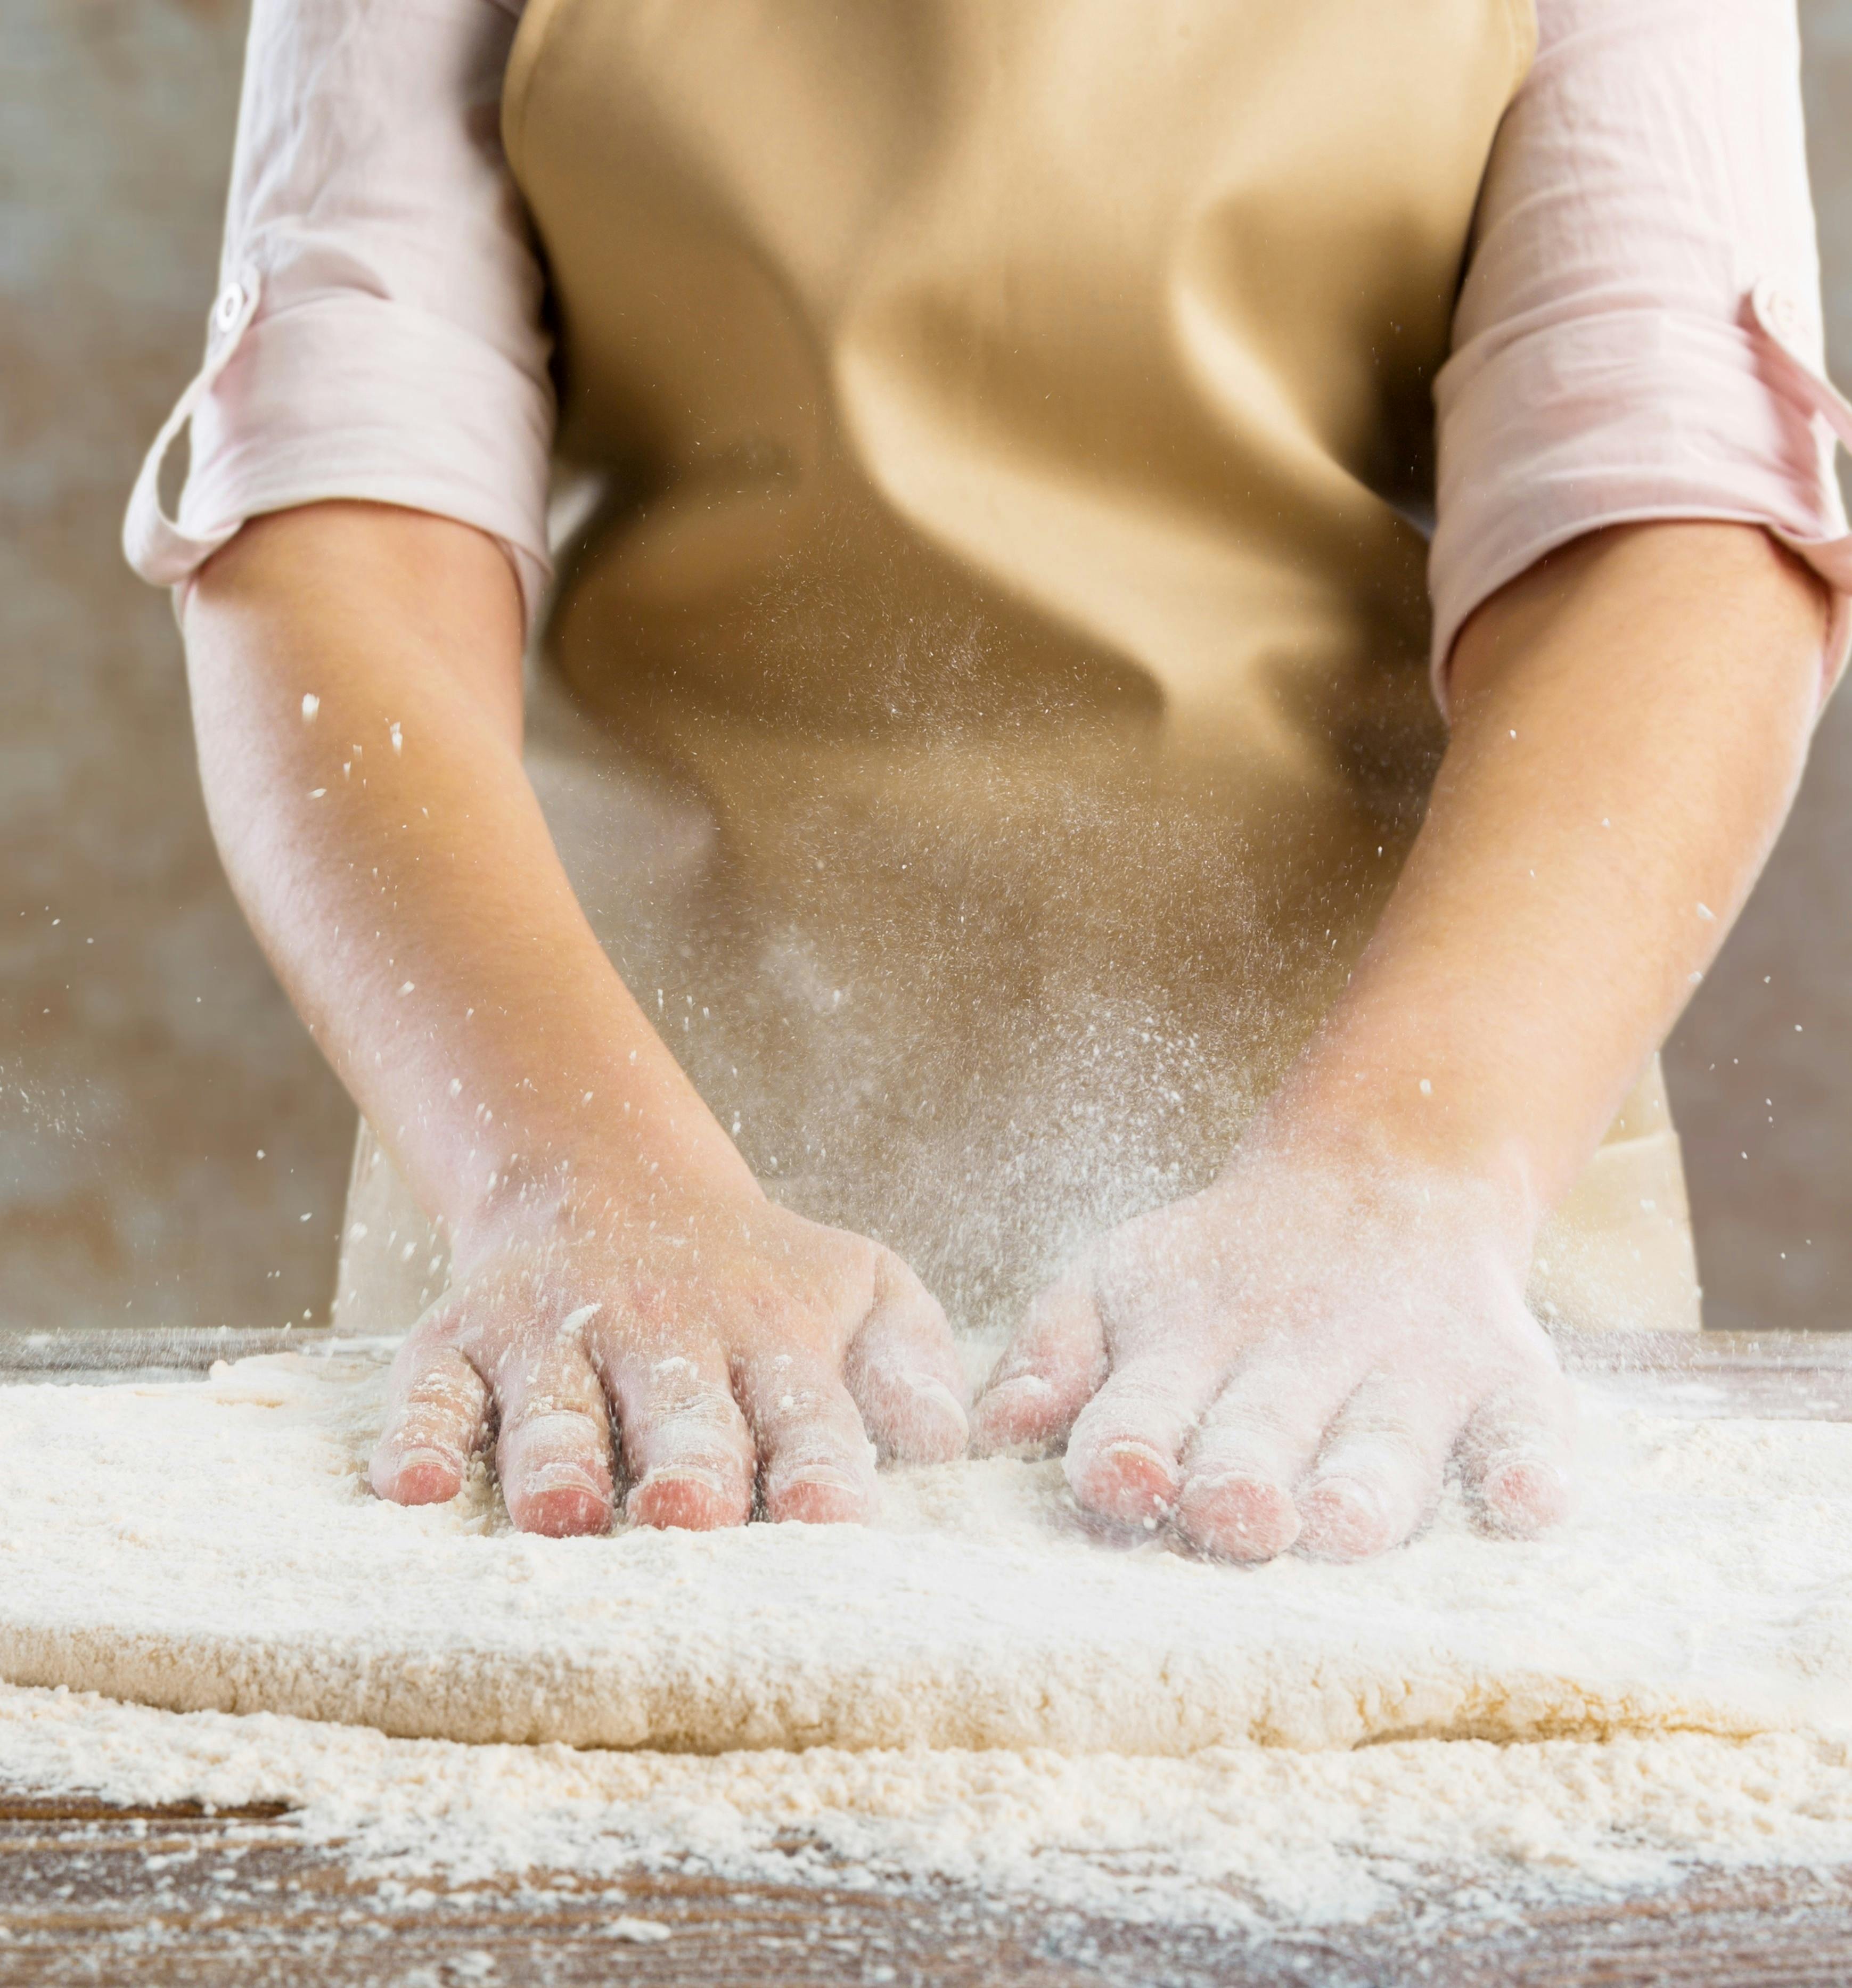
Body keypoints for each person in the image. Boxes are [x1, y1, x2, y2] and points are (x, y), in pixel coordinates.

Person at [124, 0, 1849, 1562]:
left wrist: (1404, 1176)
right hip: (603, 1204)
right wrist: (569, 1177)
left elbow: (1667, 527)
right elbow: (350, 517)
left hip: (1407, 1236)